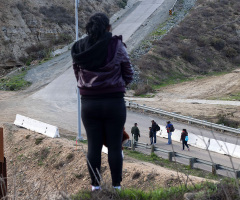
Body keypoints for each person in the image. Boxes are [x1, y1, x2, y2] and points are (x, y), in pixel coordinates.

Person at [71, 13, 133, 191]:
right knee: (114, 146)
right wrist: (119, 85)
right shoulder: (116, 45)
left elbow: (78, 75)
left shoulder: (79, 47)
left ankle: (95, 188)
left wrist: (88, 88)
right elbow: (128, 72)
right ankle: (116, 187)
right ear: (108, 27)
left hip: (89, 104)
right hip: (114, 103)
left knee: (93, 146)